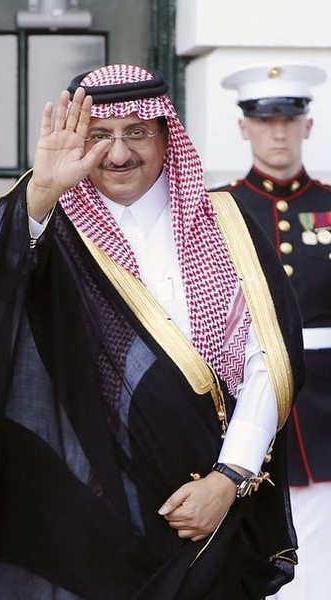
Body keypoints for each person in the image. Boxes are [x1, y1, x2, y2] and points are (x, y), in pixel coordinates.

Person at [0, 64, 304, 599]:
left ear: (167, 135)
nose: (118, 155)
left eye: (136, 133)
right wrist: (43, 190)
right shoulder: (53, 225)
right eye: (99, 136)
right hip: (93, 508)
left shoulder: (226, 221)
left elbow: (268, 364)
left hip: (208, 503)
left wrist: (228, 480)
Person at [213, 63, 331, 600]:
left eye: (289, 119)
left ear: (307, 125)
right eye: (264, 121)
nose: (278, 132)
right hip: (246, 401)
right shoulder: (220, 211)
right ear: (245, 127)